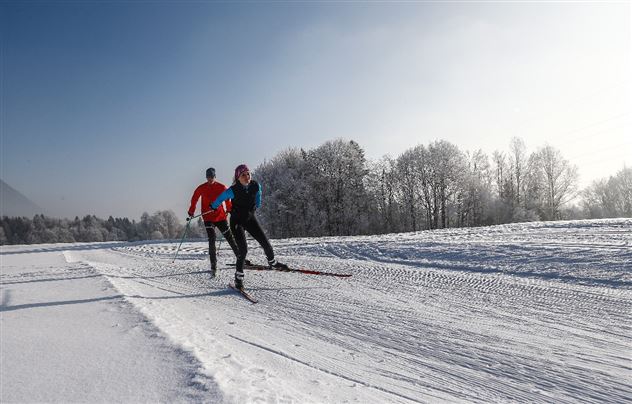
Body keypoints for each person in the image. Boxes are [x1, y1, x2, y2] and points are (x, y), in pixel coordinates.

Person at [210, 164, 287, 289]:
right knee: (243, 250)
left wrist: (256, 205)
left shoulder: (255, 185)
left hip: (250, 219)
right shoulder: (233, 190)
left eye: (248, 174)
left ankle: (273, 263)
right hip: (237, 222)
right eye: (243, 175)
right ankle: (238, 278)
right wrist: (213, 206)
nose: (247, 177)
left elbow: (258, 197)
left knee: (265, 243)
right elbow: (221, 198)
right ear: (237, 178)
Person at [188, 167, 240, 278]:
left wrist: (229, 209)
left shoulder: (221, 187)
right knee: (212, 239)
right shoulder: (201, 188)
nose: (210, 179)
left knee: (229, 237)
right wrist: (191, 210)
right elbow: (195, 198)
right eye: (208, 177)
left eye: (212, 177)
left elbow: (227, 199)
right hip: (207, 217)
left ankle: (240, 257)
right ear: (206, 177)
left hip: (220, 217)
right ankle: (213, 264)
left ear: (215, 176)